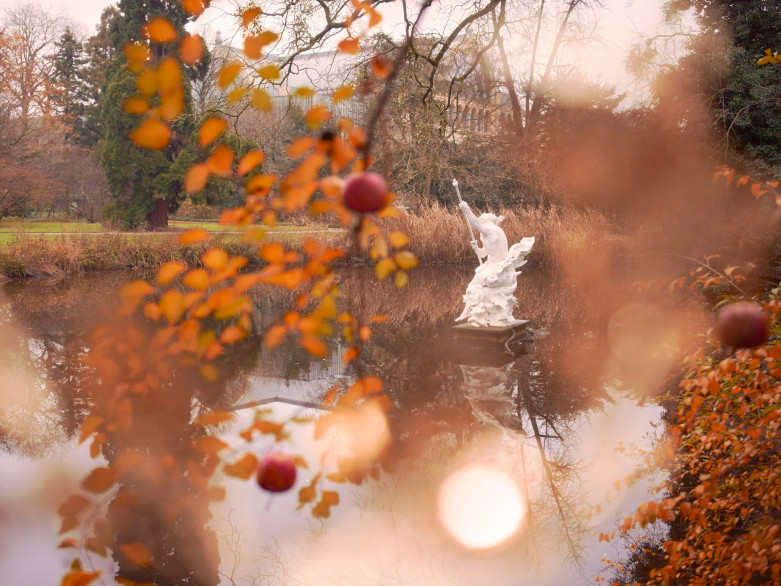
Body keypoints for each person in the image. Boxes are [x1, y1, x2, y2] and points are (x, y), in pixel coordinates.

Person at [456, 201, 534, 327]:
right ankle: (475, 315)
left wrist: (467, 209)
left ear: (484, 222)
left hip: (497, 269)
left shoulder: (491, 230)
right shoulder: (497, 232)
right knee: (472, 287)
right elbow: (484, 253)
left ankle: (481, 316)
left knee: (477, 288)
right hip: (492, 266)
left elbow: (475, 223)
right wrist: (477, 249)